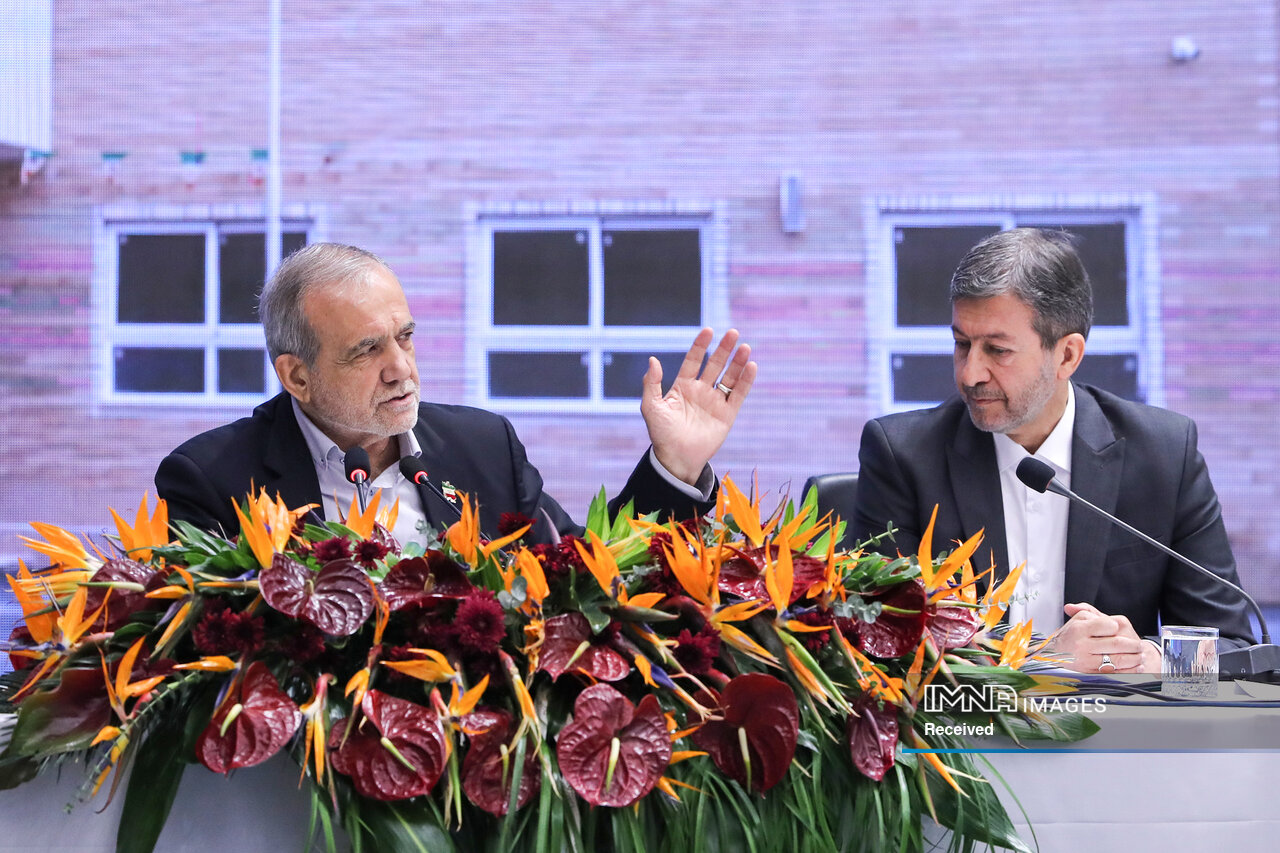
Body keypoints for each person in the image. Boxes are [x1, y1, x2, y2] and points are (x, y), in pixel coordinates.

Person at [155, 242, 757, 547]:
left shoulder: (483, 447)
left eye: (405, 337)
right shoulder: (211, 481)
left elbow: (589, 579)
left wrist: (675, 467)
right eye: (367, 350)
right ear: (297, 377)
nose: (401, 369)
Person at [852, 228, 1254, 673]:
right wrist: (1042, 659)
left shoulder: (1164, 454)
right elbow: (876, 642)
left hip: (1118, 717)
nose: (970, 374)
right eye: (962, 344)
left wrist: (1150, 658)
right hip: (967, 716)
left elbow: (1235, 648)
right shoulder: (902, 456)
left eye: (997, 350)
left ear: (1067, 356)